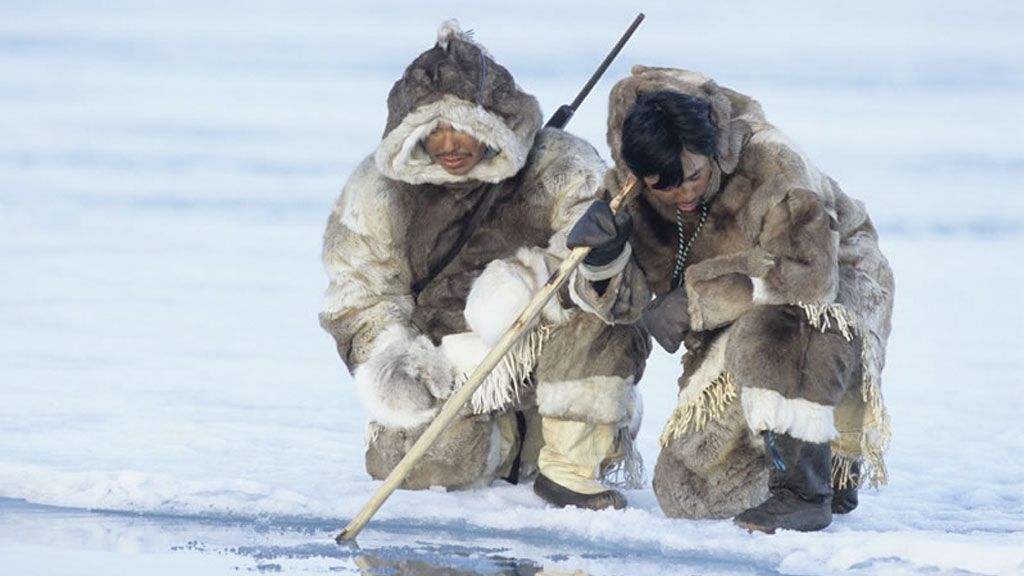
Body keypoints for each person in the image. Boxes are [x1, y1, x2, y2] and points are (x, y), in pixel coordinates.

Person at [318, 21, 649, 510]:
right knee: (418, 464)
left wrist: (542, 278)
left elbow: (601, 268)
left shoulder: (560, 164)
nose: (449, 144)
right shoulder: (379, 188)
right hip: (444, 364)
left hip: (537, 341)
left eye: (463, 127)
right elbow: (357, 291)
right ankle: (511, 441)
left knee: (599, 322)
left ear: (491, 122)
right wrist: (399, 362)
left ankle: (572, 460)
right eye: (434, 131)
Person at [566, 66, 894, 532]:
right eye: (666, 185)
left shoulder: (774, 165)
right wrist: (602, 259)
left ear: (713, 150)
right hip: (738, 303)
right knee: (689, 494)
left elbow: (808, 278)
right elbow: (623, 307)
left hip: (833, 281)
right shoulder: (627, 190)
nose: (684, 193)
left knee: (785, 327)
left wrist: (695, 302)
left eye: (694, 176)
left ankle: (810, 486)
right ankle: (783, 451)